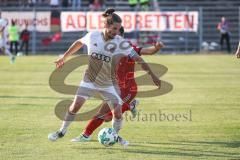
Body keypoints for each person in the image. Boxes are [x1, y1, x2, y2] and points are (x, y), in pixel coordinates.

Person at [48, 8, 158, 146]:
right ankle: (61, 131)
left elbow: (138, 59)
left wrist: (152, 75)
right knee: (75, 106)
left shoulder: (120, 42)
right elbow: (79, 43)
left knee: (117, 113)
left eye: (118, 29)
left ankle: (115, 135)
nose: (115, 32)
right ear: (106, 25)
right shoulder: (93, 36)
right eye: (113, 28)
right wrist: (64, 57)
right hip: (89, 81)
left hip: (108, 84)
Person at [71, 26, 164, 142]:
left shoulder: (129, 49)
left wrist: (157, 48)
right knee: (102, 114)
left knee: (108, 117)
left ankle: (127, 110)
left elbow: (148, 51)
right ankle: (86, 135)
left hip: (128, 90)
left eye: (116, 34)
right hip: (114, 88)